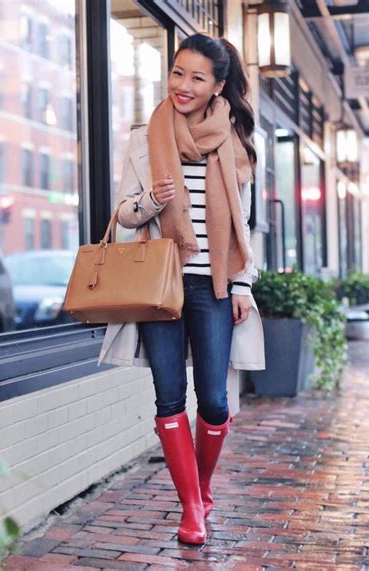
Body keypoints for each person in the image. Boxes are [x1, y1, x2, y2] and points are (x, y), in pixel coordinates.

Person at [98, 34, 265, 545]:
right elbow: (123, 215)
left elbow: (246, 225)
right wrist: (151, 199)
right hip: (160, 284)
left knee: (213, 401)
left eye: (197, 77)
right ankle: (192, 507)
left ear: (218, 86)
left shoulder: (234, 140)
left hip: (213, 285)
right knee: (169, 398)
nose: (183, 86)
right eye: (177, 73)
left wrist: (241, 285)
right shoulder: (143, 137)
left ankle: (204, 486)